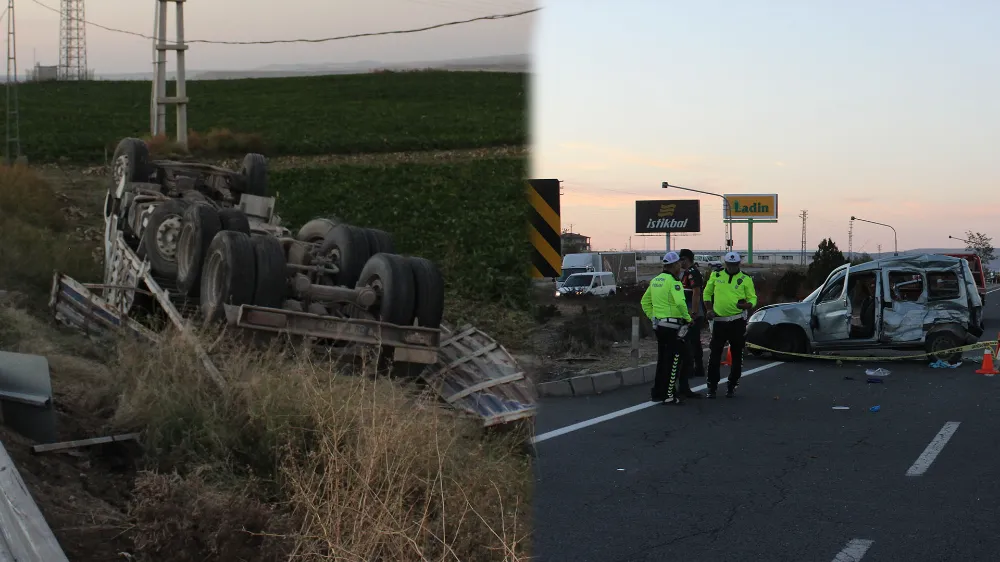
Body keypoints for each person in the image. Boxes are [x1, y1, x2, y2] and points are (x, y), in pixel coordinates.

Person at [640, 251, 702, 404]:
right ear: (674, 265)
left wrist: (653, 316)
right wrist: (688, 319)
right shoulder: (674, 282)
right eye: (678, 264)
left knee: (662, 360)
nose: (680, 267)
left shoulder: (655, 280)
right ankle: (669, 395)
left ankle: (658, 392)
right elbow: (680, 303)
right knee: (675, 359)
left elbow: (644, 302)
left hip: (659, 326)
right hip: (673, 326)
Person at [703, 251, 757, 398]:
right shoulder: (716, 275)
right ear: (725, 264)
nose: (732, 267)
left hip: (737, 321)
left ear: (739, 264)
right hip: (719, 322)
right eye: (729, 264)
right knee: (715, 355)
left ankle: (732, 385)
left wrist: (747, 305)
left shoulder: (745, 278)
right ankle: (712, 387)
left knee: (737, 355)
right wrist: (709, 309)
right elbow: (707, 293)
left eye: (735, 264)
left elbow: (753, 298)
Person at [678, 249, 706, 379]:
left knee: (691, 341)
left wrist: (694, 312)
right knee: (692, 341)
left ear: (686, 259)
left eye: (681, 259)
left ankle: (695, 369)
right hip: (689, 311)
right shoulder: (686, 273)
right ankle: (696, 368)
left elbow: (696, 293)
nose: (680, 262)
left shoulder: (692, 273)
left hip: (693, 312)